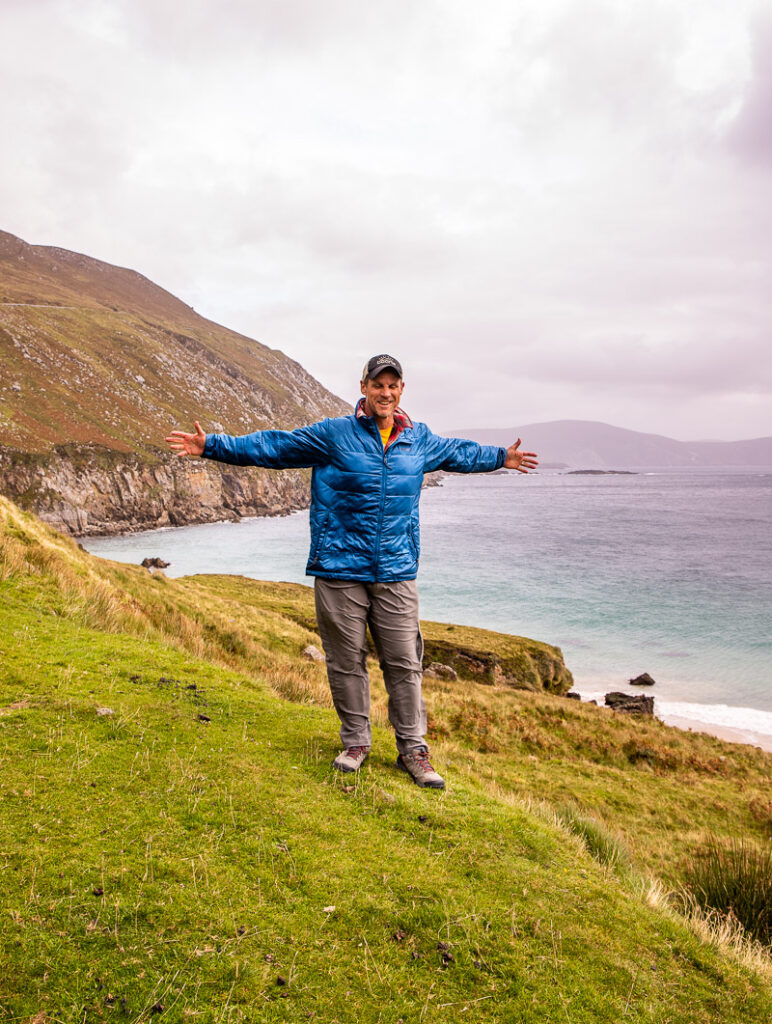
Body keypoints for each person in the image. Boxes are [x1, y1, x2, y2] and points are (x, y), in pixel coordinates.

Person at [165, 354, 537, 790]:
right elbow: (274, 446)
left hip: (396, 570)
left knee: (404, 663)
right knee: (346, 661)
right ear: (363, 387)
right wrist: (212, 445)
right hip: (340, 567)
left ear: (401, 391)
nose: (385, 392)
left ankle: (414, 752)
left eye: (393, 385)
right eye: (378, 384)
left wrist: (499, 457)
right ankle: (356, 742)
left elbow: (459, 452)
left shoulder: (419, 440)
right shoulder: (333, 435)